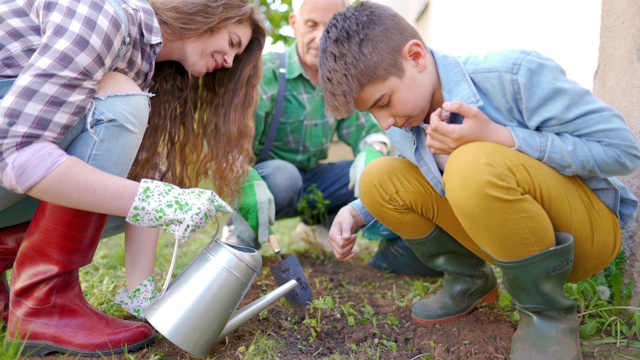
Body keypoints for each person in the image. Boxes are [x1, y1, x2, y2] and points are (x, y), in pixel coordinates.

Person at [319, 2, 640, 360]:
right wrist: (358, 212)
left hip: (585, 236)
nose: (385, 123)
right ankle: (469, 281)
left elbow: (623, 151)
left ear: (415, 57)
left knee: (470, 163)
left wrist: (500, 136)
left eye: (384, 102)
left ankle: (547, 314)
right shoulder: (405, 117)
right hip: (506, 240)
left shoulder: (513, 75)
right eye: (372, 112)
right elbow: (416, 182)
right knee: (377, 177)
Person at [0, 0, 265, 357]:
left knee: (118, 185)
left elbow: (143, 178)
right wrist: (160, 203)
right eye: (233, 42)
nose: (230, 61)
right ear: (209, 14)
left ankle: (35, 296)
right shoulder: (101, 16)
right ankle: (45, 305)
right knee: (121, 102)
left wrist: (141, 296)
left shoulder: (143, 68)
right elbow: (15, 152)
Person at [222, 0, 441, 278]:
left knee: (373, 173)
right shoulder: (263, 73)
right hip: (267, 182)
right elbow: (229, 146)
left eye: (330, 26)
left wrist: (372, 152)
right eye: (312, 25)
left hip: (311, 181)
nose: (320, 37)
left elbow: (368, 130)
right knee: (285, 175)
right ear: (294, 24)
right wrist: (245, 178)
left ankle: (317, 223)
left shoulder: (340, 80)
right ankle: (240, 237)